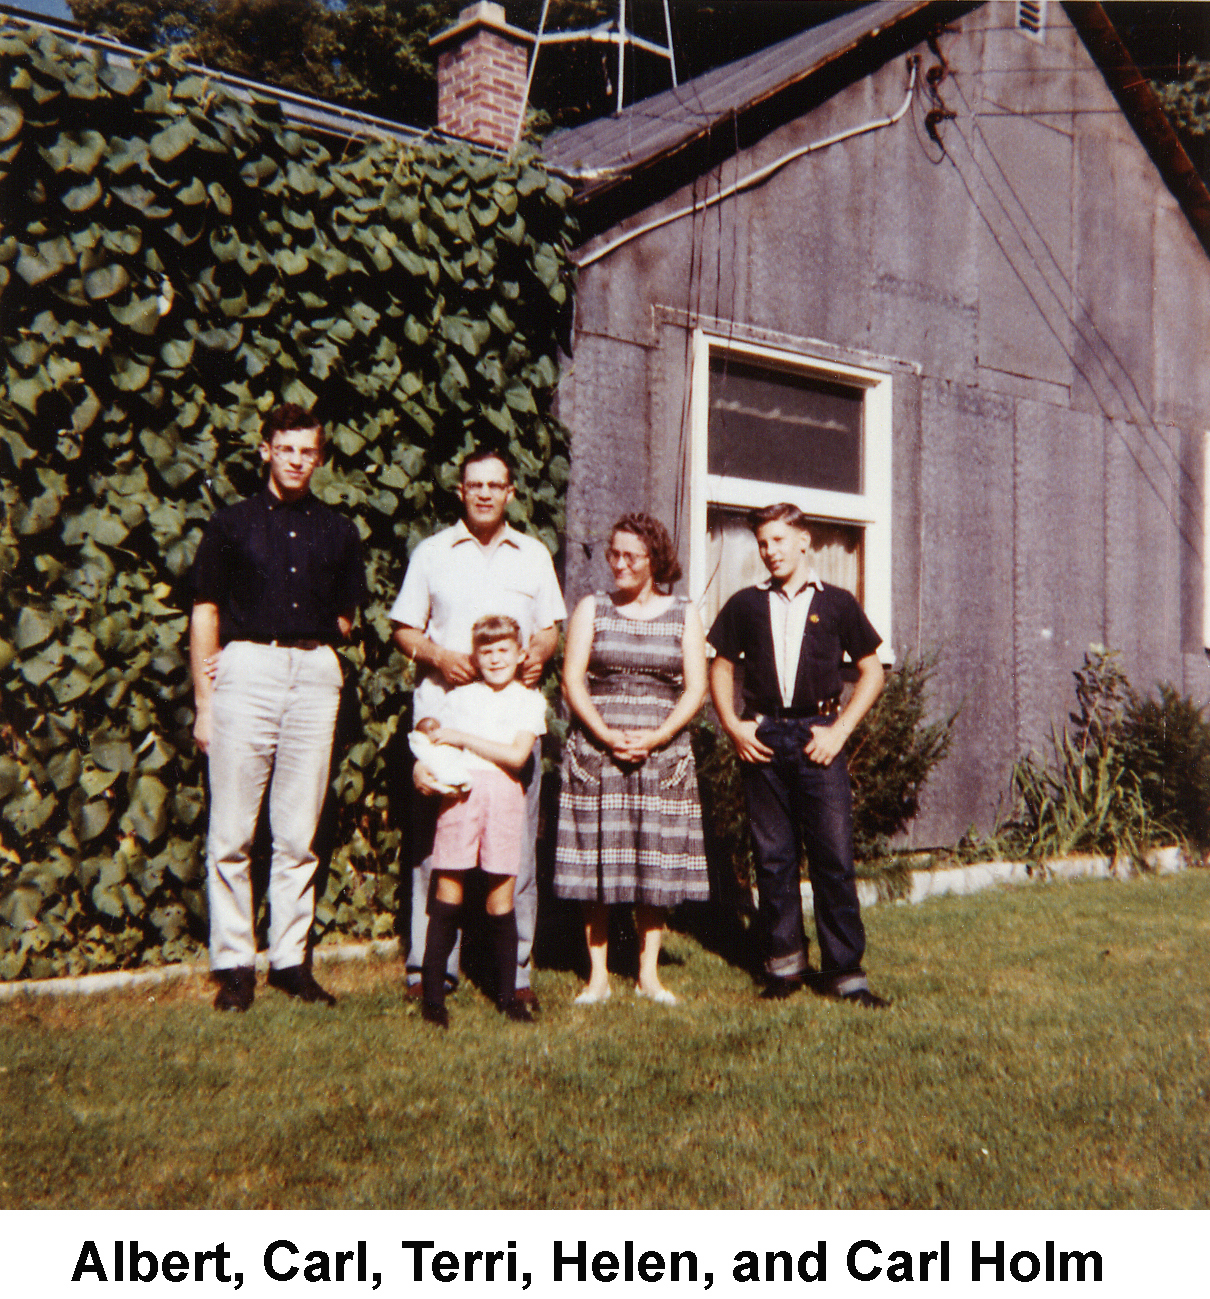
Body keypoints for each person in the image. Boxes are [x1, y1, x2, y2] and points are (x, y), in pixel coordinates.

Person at [190, 403, 366, 1012]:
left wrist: (312, 646)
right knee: (233, 832)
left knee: (298, 832)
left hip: (314, 673)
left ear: (319, 457)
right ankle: (235, 964)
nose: (296, 460)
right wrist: (206, 703)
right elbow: (206, 611)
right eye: (285, 448)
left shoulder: (340, 531)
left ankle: (291, 962)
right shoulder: (231, 525)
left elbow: (347, 615)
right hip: (248, 669)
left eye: (307, 451)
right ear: (266, 450)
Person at [390, 447, 566, 1008]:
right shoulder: (433, 553)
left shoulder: (533, 555)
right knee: (433, 847)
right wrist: (439, 656)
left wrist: (538, 650)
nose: (485, 493)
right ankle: (427, 967)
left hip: (508, 726)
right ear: (460, 491)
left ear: (511, 492)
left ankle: (514, 973)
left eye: (496, 485)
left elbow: (550, 630)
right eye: (475, 485)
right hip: (448, 722)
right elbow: (403, 629)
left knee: (514, 846)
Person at [707, 502, 889, 1008]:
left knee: (833, 856)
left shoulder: (837, 604)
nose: (770, 552)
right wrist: (734, 726)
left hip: (819, 736)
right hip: (764, 736)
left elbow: (872, 671)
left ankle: (846, 972)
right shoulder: (745, 604)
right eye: (763, 543)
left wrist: (841, 730)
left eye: (778, 541)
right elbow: (720, 666)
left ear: (803, 542)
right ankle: (784, 965)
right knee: (773, 857)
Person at [554, 513, 709, 1005]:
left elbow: (696, 690)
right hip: (599, 753)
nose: (618, 564)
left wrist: (656, 737)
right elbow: (572, 680)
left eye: (630, 556)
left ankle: (648, 975)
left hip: (662, 756)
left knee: (654, 863)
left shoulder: (684, 613)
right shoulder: (591, 608)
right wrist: (605, 735)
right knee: (599, 859)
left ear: (654, 561)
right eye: (613, 554)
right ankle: (597, 976)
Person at [414, 615, 547, 1028]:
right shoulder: (458, 698)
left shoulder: (529, 700)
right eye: (486, 652)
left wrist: (461, 737)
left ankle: (509, 996)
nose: (495, 659)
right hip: (461, 795)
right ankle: (433, 998)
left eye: (503, 650)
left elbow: (516, 756)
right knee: (448, 892)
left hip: (505, 797)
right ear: (475, 656)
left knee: (500, 897)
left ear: (521, 653)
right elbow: (430, 742)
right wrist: (424, 766)